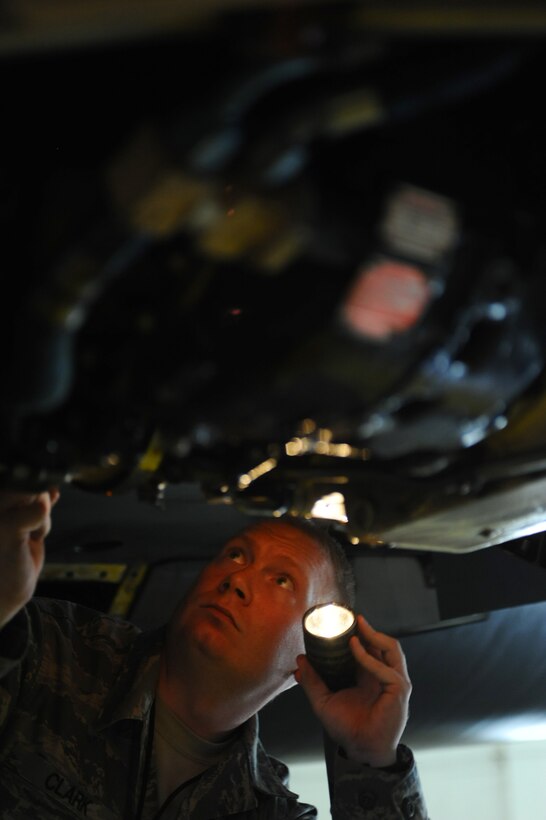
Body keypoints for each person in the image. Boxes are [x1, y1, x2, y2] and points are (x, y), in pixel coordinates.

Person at [0, 489, 429, 819]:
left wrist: (372, 759)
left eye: (282, 581)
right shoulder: (49, 649)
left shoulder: (265, 812)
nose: (237, 578)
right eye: (235, 555)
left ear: (313, 650)